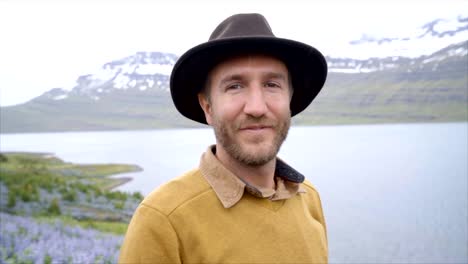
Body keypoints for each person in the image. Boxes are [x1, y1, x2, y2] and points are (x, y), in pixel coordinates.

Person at [119, 13, 328, 263]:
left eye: (272, 84)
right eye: (235, 86)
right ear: (207, 107)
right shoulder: (163, 219)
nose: (256, 107)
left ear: (290, 100)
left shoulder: (308, 197)